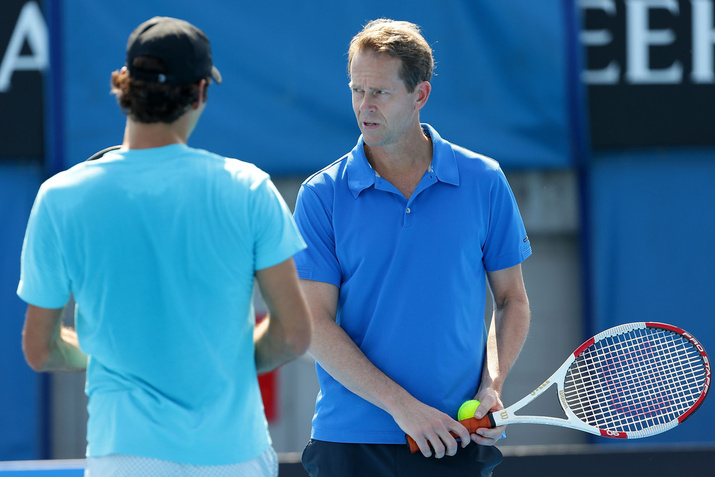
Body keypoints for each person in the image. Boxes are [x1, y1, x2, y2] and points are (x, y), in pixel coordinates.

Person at [17, 16, 311, 477]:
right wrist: (223, 358)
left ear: (124, 87)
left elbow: (41, 349)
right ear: (199, 93)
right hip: (235, 456)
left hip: (124, 456)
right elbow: (293, 335)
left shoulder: (60, 197)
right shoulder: (249, 188)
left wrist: (109, 356)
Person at [293, 19, 532, 476]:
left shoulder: (484, 180)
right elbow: (313, 324)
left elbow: (511, 300)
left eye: (380, 92)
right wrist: (403, 408)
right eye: (356, 90)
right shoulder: (321, 194)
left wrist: (492, 384)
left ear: (420, 95)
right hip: (351, 443)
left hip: (456, 439)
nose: (364, 106)